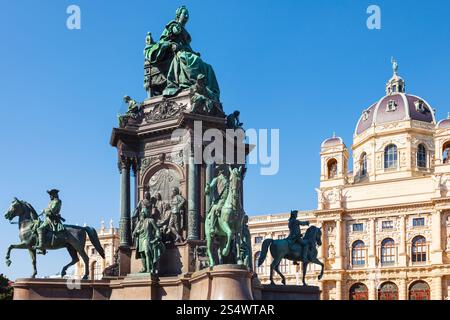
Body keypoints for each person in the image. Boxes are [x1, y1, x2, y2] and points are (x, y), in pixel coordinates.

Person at [145, 6, 220, 98]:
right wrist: (170, 44)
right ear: (178, 15)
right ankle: (189, 84)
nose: (186, 16)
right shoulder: (173, 25)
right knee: (188, 59)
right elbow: (164, 40)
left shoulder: (183, 30)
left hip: (185, 51)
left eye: (187, 14)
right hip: (175, 54)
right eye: (184, 14)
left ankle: (204, 88)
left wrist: (193, 52)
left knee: (207, 67)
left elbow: (187, 46)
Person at [133, 206, 164, 273]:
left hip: (147, 238)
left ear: (146, 213)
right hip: (140, 239)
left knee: (147, 252)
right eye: (141, 213)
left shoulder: (150, 220)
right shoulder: (139, 223)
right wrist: (136, 233)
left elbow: (157, 229)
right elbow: (134, 232)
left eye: (143, 212)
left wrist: (157, 237)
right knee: (142, 254)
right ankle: (144, 268)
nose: (141, 214)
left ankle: (149, 269)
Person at [33, 189, 65, 254]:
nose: (50, 196)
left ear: (54, 195)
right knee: (37, 226)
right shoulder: (51, 202)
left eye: (51, 194)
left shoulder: (57, 201)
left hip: (52, 219)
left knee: (40, 229)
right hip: (47, 218)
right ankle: (43, 249)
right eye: (50, 195)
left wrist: (44, 210)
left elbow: (52, 211)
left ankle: (41, 246)